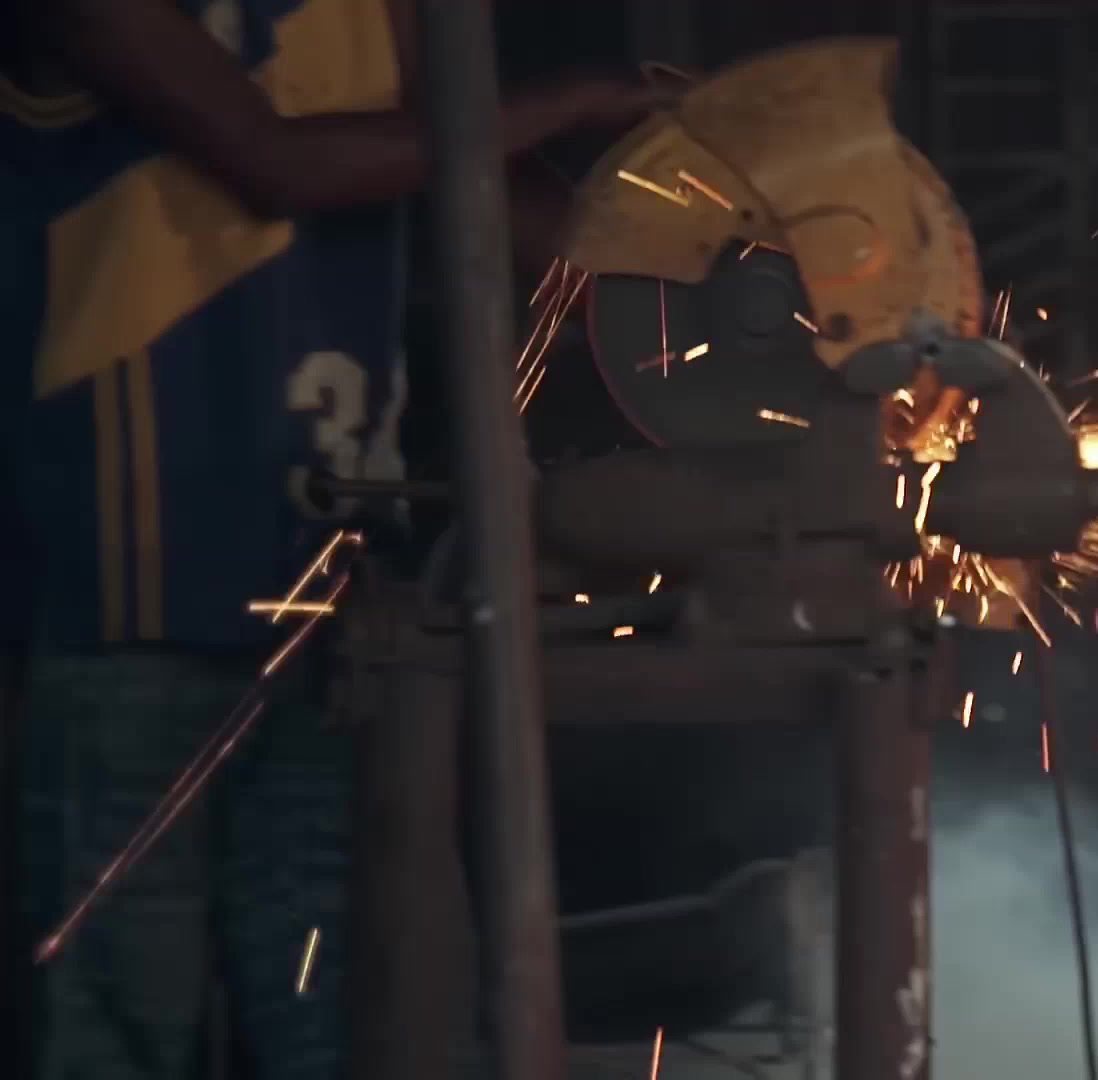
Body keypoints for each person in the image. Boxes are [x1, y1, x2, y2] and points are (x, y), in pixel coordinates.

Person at [0, 1, 665, 1077]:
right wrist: (574, 100)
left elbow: (470, 177)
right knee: (124, 1018)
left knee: (339, 1009)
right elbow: (277, 164)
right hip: (131, 572)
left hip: (337, 581)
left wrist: (728, 288)